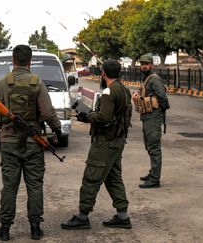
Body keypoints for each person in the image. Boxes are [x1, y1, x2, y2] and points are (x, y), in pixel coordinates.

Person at [0, 45, 62, 241]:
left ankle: (4, 229)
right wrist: (57, 129)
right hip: (33, 143)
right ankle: (35, 228)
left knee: (9, 186)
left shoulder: (3, 83)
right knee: (35, 185)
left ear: (13, 60)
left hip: (9, 142)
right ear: (30, 61)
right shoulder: (37, 83)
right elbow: (47, 113)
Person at [61, 60, 132, 230]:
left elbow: (104, 118)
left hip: (105, 142)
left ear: (103, 74)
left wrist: (88, 117)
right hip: (117, 141)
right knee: (113, 178)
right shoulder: (124, 89)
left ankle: (82, 217)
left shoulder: (109, 92)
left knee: (91, 177)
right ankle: (122, 216)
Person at [132, 53, 170, 189]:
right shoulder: (146, 78)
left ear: (151, 65)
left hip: (153, 117)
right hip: (147, 117)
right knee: (149, 146)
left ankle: (155, 179)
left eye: (146, 64)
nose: (144, 66)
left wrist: (159, 112)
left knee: (154, 148)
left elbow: (163, 98)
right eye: (142, 64)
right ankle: (153, 172)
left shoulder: (154, 79)